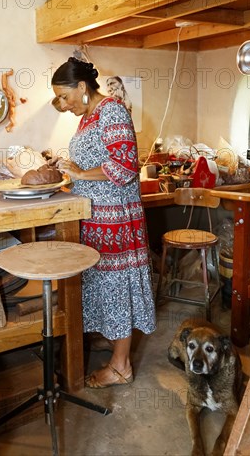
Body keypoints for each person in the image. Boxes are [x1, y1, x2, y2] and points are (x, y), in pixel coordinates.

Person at [51, 57, 156, 388]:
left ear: (82, 88)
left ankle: (121, 365)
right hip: (95, 217)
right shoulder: (87, 118)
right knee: (101, 284)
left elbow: (125, 167)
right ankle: (112, 338)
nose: (62, 104)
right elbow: (95, 161)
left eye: (64, 96)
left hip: (116, 218)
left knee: (118, 286)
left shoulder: (112, 111)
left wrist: (80, 173)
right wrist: (69, 168)